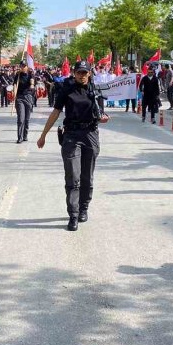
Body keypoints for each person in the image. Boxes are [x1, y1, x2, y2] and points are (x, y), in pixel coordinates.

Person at [36, 60, 110, 231]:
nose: (82, 76)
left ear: (89, 74)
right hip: (71, 136)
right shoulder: (66, 90)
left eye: (85, 73)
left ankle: (84, 208)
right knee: (73, 176)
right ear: (74, 73)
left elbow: (100, 113)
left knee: (87, 177)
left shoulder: (95, 90)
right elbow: (56, 112)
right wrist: (43, 135)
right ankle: (73, 214)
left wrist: (103, 118)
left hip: (90, 134)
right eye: (79, 72)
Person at [12, 61, 35, 143]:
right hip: (19, 98)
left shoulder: (30, 73)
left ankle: (25, 135)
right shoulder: (17, 75)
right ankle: (20, 137)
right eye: (22, 66)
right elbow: (14, 85)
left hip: (28, 97)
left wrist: (32, 85)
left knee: (27, 119)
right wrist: (14, 93)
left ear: (27, 66)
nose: (23, 67)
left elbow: (32, 80)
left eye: (24, 66)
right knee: (21, 119)